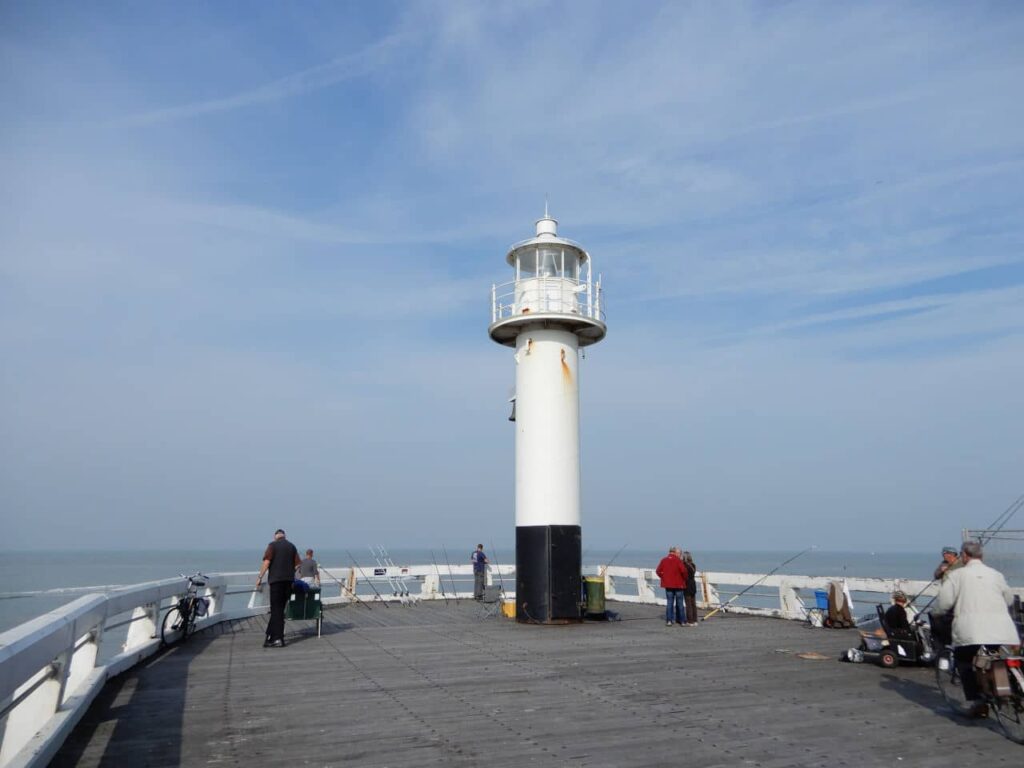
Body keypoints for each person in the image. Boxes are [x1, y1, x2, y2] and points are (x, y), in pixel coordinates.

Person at [935, 541, 1020, 718]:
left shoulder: (957, 575)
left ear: (965, 555)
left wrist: (938, 613)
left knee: (963, 660)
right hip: (1001, 628)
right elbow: (1009, 599)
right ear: (981, 556)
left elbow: (944, 603)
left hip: (970, 630)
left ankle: (978, 701)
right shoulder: (996, 575)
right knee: (992, 657)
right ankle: (1003, 689)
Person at [255, 529, 301, 648]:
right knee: (279, 610)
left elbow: (266, 562)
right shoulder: (292, 547)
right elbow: (297, 565)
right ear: (284, 536)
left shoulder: (272, 546)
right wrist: (289, 572)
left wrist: (260, 577)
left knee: (276, 610)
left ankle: (278, 639)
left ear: (275, 537)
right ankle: (269, 636)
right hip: (288, 582)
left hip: (276, 582)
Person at [656, 547, 688, 626]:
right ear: (674, 552)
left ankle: (669, 621)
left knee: (669, 603)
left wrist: (663, 577)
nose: (679, 555)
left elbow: (658, 571)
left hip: (668, 585)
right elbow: (684, 571)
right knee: (680, 603)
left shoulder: (664, 560)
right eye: (678, 553)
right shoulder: (678, 560)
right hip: (678, 585)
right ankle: (682, 621)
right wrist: (684, 578)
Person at [682, 551, 699, 626]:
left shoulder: (684, 565)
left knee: (688, 603)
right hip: (693, 584)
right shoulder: (693, 565)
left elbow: (683, 575)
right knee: (693, 603)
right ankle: (695, 620)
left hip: (687, 585)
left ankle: (690, 621)